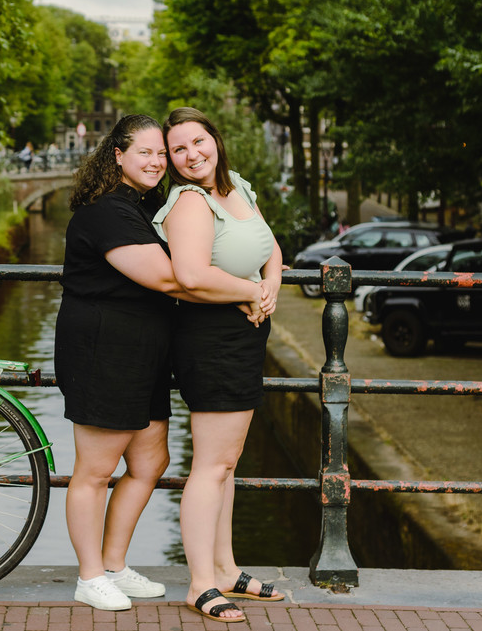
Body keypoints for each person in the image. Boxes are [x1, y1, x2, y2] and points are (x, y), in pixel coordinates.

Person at [53, 114, 200, 612]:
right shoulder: (106, 212)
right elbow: (167, 277)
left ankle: (113, 564)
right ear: (117, 155)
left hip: (144, 352)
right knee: (94, 470)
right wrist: (243, 287)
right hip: (104, 349)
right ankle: (89, 575)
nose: (158, 162)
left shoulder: (143, 206)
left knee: (149, 461)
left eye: (162, 154)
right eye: (146, 153)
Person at [153, 106, 286, 622]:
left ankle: (228, 568)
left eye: (198, 142)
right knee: (209, 467)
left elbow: (270, 246)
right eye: (178, 150)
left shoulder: (239, 188)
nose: (191, 155)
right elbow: (189, 275)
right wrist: (251, 289)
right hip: (211, 339)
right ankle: (202, 584)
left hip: (244, 335)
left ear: (215, 139)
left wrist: (269, 283)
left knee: (226, 464)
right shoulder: (189, 203)